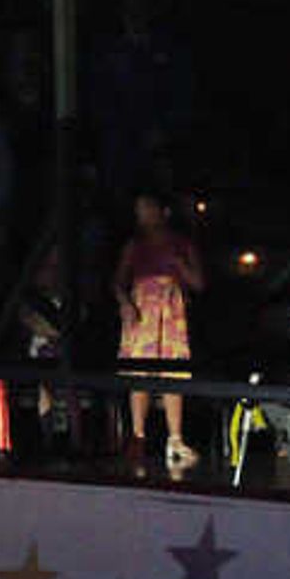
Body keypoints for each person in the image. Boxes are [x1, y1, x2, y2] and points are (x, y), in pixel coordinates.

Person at [115, 189, 206, 477]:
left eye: (146, 209)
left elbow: (199, 283)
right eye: (138, 211)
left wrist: (178, 265)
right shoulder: (135, 245)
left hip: (171, 307)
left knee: (173, 372)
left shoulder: (181, 243)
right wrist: (125, 303)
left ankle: (175, 439)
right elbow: (117, 281)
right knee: (139, 373)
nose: (142, 216)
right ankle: (138, 436)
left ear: (162, 211)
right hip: (142, 305)